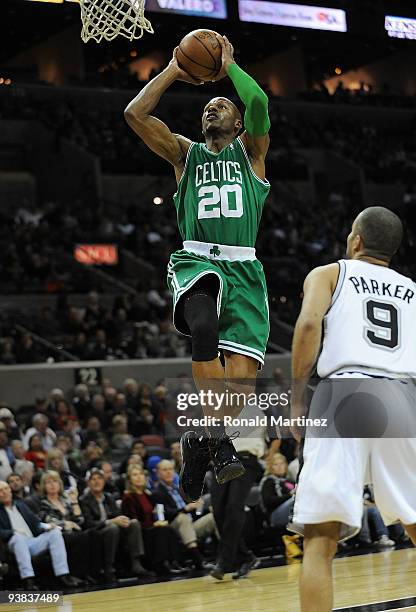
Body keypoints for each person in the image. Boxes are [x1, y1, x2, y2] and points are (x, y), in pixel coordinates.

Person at [124, 34, 271, 501]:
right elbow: (135, 114)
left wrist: (228, 66)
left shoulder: (252, 155)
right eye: (206, 106)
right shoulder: (185, 155)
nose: (212, 109)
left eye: (221, 104)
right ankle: (219, 442)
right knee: (202, 327)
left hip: (245, 271)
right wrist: (172, 69)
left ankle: (201, 439)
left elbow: (260, 100)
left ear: (237, 120)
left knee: (241, 390)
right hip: (197, 260)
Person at [288, 207, 416, 612]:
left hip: (343, 393)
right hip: (402, 395)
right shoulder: (412, 289)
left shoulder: (329, 273)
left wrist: (295, 396)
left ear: (355, 240)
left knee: (320, 538)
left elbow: (308, 326)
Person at [0, 480, 78, 589]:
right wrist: (13, 532)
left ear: (10, 491)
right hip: (13, 543)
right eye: (0, 491)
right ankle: (28, 580)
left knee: (55, 533)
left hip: (31, 542)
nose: (4, 492)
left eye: (6, 489)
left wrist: (47, 526)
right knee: (18, 538)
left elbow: (36, 523)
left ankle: (63, 575)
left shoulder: (21, 505)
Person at [80, 468, 151, 582]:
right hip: (97, 531)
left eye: (99, 478)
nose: (96, 482)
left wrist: (124, 520)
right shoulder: (84, 500)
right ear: (88, 483)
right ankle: (109, 567)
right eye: (93, 479)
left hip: (114, 530)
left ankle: (136, 563)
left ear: (104, 481)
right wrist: (110, 522)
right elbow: (88, 523)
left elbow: (118, 516)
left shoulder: (109, 497)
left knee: (134, 523)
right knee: (112, 528)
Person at [152, 460, 216, 570]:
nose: (168, 472)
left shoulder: (179, 489)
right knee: (183, 518)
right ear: (158, 473)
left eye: (170, 469)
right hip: (173, 527)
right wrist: (185, 509)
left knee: (214, 516)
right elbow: (163, 514)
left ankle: (224, 555)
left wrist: (200, 508)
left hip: (190, 526)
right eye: (164, 470)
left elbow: (196, 513)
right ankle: (198, 560)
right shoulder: (157, 492)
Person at [121, 465, 183, 575]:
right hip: (139, 532)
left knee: (168, 528)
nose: (139, 477)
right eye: (135, 475)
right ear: (129, 480)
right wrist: (154, 523)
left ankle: (173, 562)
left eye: (141, 474)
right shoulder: (128, 497)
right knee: (162, 530)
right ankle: (160, 564)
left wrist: (157, 518)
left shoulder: (147, 494)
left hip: (150, 528)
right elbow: (133, 522)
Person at [38, 471, 88, 582]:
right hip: (57, 535)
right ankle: (77, 574)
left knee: (90, 535)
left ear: (60, 484)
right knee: (79, 537)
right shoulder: (42, 503)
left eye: (55, 481)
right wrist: (65, 524)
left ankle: (89, 573)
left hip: (73, 532)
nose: (52, 485)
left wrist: (74, 501)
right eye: (48, 482)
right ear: (44, 486)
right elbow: (48, 521)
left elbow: (80, 520)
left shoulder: (65, 500)